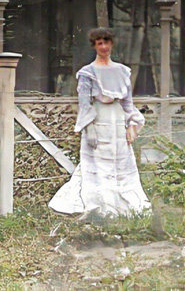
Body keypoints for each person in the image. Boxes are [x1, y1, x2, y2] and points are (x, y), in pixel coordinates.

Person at [49, 28, 150, 217]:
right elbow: (85, 105)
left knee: (120, 166)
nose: (103, 46)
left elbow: (127, 103)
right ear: (94, 46)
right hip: (98, 122)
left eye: (106, 42)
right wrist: (90, 129)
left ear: (111, 43)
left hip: (117, 123)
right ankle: (102, 209)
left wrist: (131, 124)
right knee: (97, 168)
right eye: (99, 43)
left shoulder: (122, 71)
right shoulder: (88, 73)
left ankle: (124, 209)